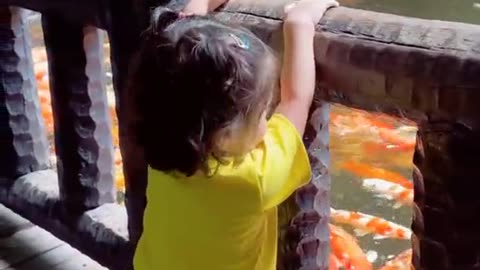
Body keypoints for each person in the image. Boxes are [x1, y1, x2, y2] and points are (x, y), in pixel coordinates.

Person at [130, 0, 339, 269]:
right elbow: (296, 99)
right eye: (264, 112)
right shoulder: (255, 178)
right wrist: (300, 23)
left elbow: (182, 45)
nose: (267, 120)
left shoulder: (163, 141)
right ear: (224, 134)